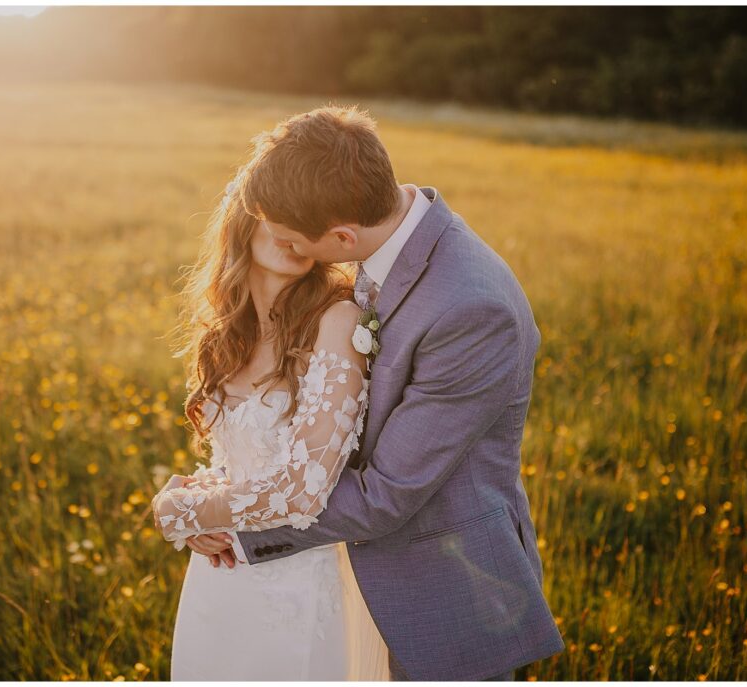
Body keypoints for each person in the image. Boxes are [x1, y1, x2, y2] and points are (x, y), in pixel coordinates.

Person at [175, 105, 566, 681]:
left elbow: (386, 493)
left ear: (340, 237)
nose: (293, 256)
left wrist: (214, 519)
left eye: (293, 241)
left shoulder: (471, 307)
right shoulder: (377, 248)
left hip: (440, 594)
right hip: (344, 571)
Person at [151, 174, 390, 680]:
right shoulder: (224, 333)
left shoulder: (339, 320)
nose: (292, 231)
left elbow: (302, 489)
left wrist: (180, 508)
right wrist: (205, 502)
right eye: (280, 212)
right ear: (246, 215)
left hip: (298, 584)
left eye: (309, 218)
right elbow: (239, 461)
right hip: (218, 584)